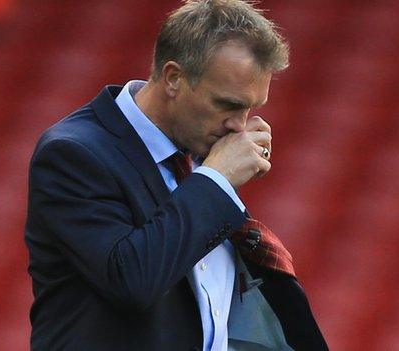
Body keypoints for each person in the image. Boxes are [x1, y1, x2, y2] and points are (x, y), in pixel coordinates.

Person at [25, 1, 328, 350]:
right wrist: (215, 180)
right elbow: (132, 280)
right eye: (227, 104)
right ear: (174, 78)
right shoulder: (75, 154)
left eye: (250, 108)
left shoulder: (199, 151)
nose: (239, 125)